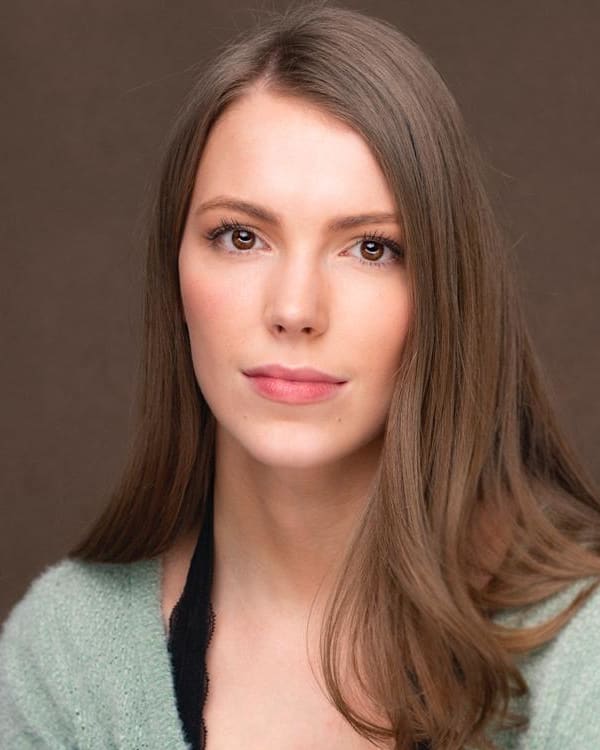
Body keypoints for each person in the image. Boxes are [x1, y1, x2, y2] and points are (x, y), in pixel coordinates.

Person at [1, 1, 599, 748]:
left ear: (447, 292)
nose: (294, 309)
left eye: (371, 248)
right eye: (240, 236)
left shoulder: (580, 655)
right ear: (174, 272)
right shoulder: (66, 658)